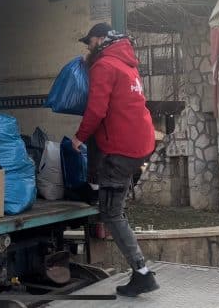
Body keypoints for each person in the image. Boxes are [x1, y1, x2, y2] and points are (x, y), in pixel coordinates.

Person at [71, 22, 159, 297]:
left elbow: (97, 110)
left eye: (90, 42)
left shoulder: (105, 66)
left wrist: (78, 138)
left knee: (111, 213)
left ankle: (141, 273)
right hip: (140, 144)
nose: (88, 47)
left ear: (101, 40)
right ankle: (141, 271)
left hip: (121, 149)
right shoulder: (127, 63)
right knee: (115, 205)